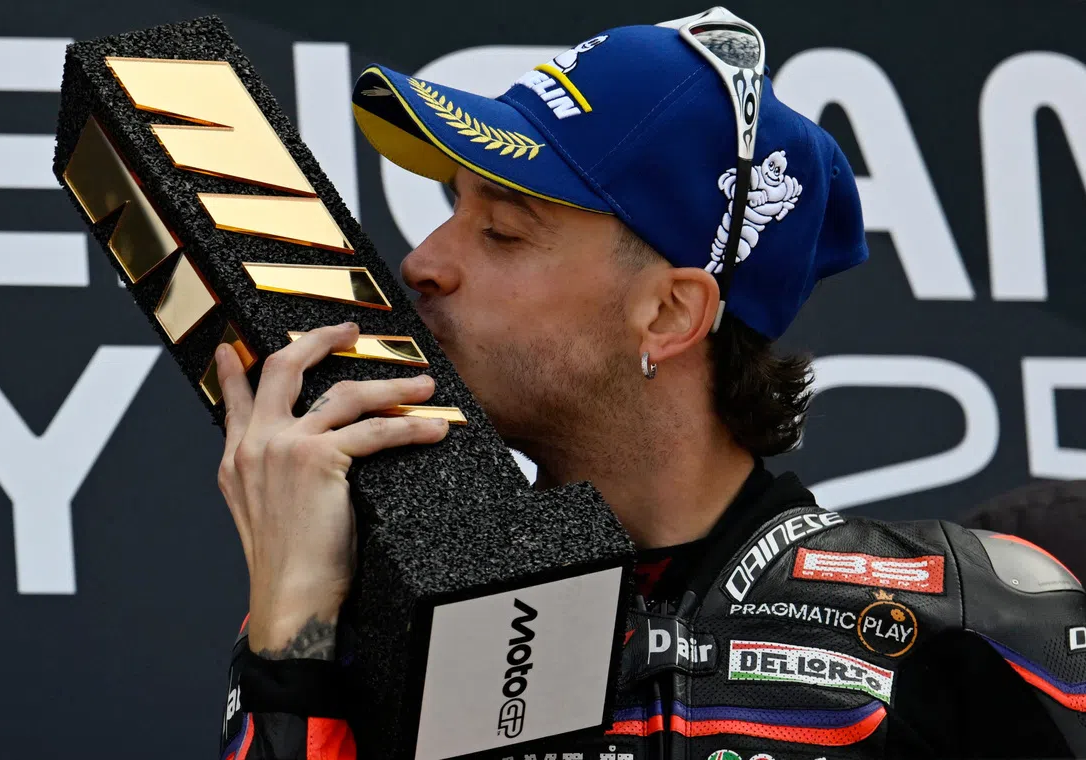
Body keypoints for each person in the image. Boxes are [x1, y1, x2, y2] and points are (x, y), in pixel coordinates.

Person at [214, 9, 1086, 760]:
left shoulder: (973, 614)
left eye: (504, 233)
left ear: (670, 313)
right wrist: (294, 638)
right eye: (451, 212)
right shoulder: (371, 621)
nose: (424, 262)